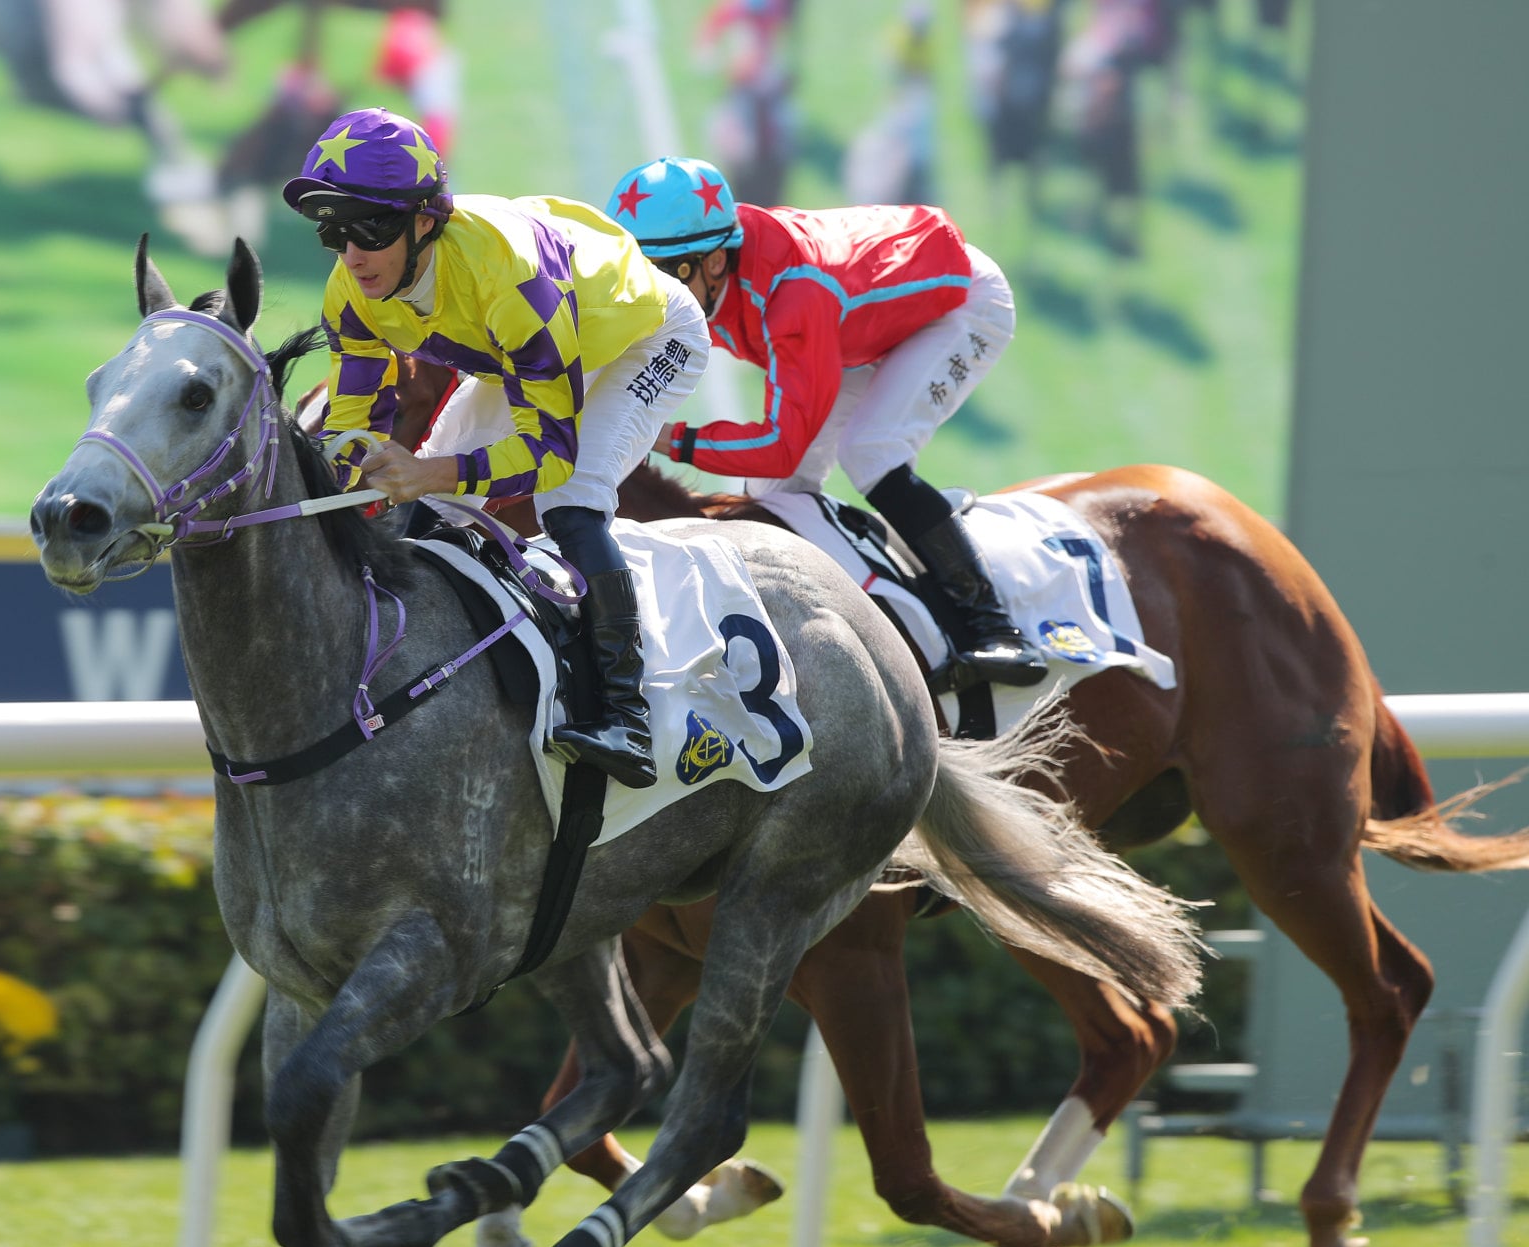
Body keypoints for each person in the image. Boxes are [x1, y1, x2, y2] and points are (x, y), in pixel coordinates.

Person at [285, 108, 713, 788]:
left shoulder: (507, 274)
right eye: (333, 231)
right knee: (439, 513)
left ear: (425, 219)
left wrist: (427, 469)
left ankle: (627, 714)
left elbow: (552, 455)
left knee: (569, 500)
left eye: (368, 227)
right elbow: (349, 423)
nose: (352, 255)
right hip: (533, 352)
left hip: (646, 339)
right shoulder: (351, 291)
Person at [604, 154, 1047, 689]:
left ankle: (993, 627)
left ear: (717, 262)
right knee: (774, 493)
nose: (651, 299)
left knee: (870, 451)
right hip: (858, 322)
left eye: (661, 277)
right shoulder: (708, 270)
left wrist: (670, 439)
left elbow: (778, 444)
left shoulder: (792, 302)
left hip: (958, 304)